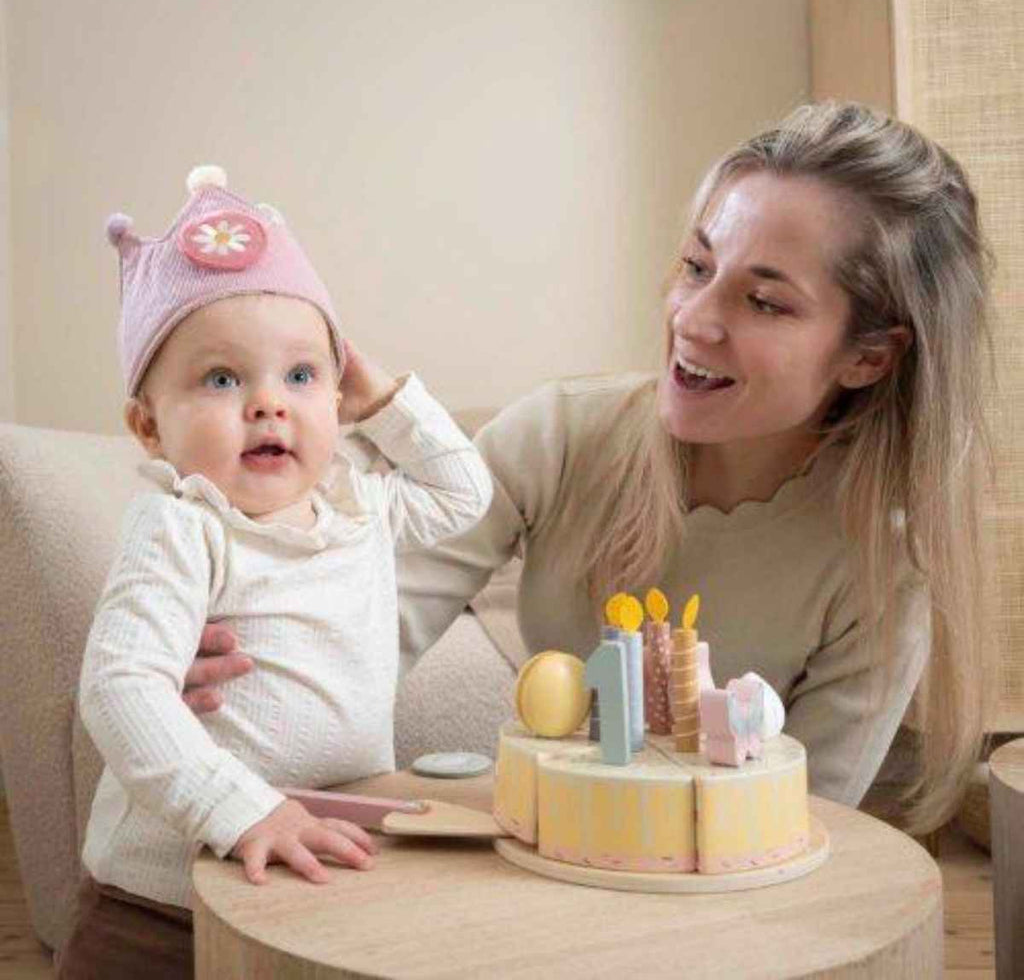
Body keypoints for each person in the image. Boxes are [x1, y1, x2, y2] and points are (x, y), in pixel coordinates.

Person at [185, 101, 991, 837]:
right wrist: (252, 664)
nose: (695, 320)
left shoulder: (883, 571)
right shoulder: (561, 435)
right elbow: (363, 628)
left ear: (869, 355)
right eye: (697, 266)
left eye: (766, 302)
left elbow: (801, 826)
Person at [59, 167, 492, 980]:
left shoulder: (359, 508)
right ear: (148, 427)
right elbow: (121, 687)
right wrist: (239, 808)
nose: (270, 403)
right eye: (223, 379)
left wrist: (386, 399)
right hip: (161, 905)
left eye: (301, 375)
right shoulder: (183, 525)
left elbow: (462, 491)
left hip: (312, 871)